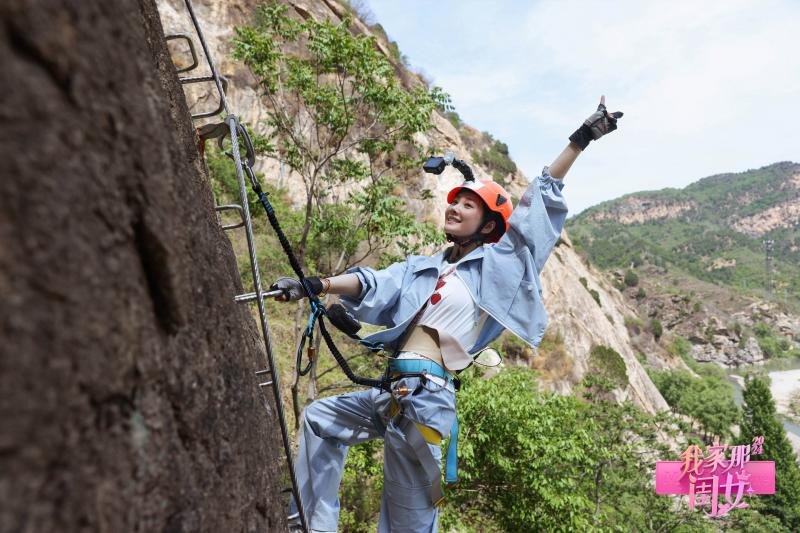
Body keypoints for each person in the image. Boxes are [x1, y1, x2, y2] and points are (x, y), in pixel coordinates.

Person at [273, 97, 623, 533]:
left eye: (467, 205)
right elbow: (372, 282)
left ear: (491, 224)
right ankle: (312, 526)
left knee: (410, 525)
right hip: (392, 394)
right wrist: (315, 284)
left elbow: (538, 205)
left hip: (427, 402)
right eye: (452, 202)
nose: (453, 207)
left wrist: (581, 139)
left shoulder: (500, 267)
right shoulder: (424, 268)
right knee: (320, 420)